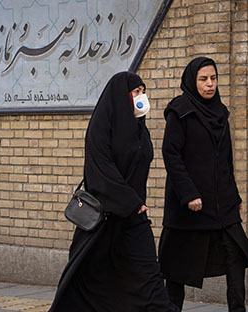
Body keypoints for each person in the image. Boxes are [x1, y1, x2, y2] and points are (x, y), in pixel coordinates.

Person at [49, 72, 178, 312]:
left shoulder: (140, 128)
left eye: (143, 91)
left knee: (150, 276)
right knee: (88, 280)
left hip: (134, 220)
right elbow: (101, 170)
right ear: (122, 96)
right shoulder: (100, 127)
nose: (141, 97)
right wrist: (130, 200)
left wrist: (134, 205)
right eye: (136, 92)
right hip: (104, 221)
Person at [159, 57, 248, 312]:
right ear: (192, 81)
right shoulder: (179, 111)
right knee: (176, 270)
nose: (210, 84)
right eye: (203, 79)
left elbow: (226, 161)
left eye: (213, 79)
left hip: (222, 205)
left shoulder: (220, 112)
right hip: (189, 208)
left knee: (236, 258)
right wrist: (188, 194)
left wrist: (235, 197)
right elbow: (171, 155)